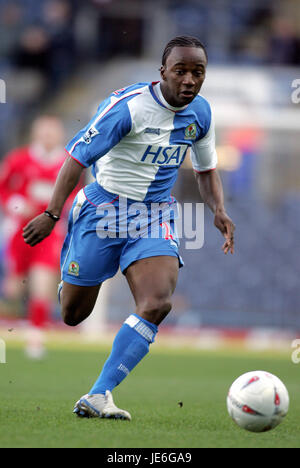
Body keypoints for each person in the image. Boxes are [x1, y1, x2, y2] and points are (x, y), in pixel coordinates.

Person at [23, 36, 235, 419]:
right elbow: (75, 158)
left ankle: (99, 393)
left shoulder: (201, 114)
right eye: (181, 71)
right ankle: (79, 273)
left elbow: (206, 170)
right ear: (162, 73)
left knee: (157, 302)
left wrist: (217, 210)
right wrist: (52, 213)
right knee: (73, 315)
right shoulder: (129, 108)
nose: (189, 80)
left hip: (153, 215)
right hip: (102, 210)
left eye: (197, 73)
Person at [0, 115, 70, 358]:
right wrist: (16, 205)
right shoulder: (19, 159)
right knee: (13, 289)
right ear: (35, 133)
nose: (48, 137)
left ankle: (35, 338)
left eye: (53, 132)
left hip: (49, 233)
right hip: (19, 231)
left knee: (43, 282)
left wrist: (63, 211)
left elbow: (75, 193)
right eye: (44, 132)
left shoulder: (68, 163)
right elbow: (3, 187)